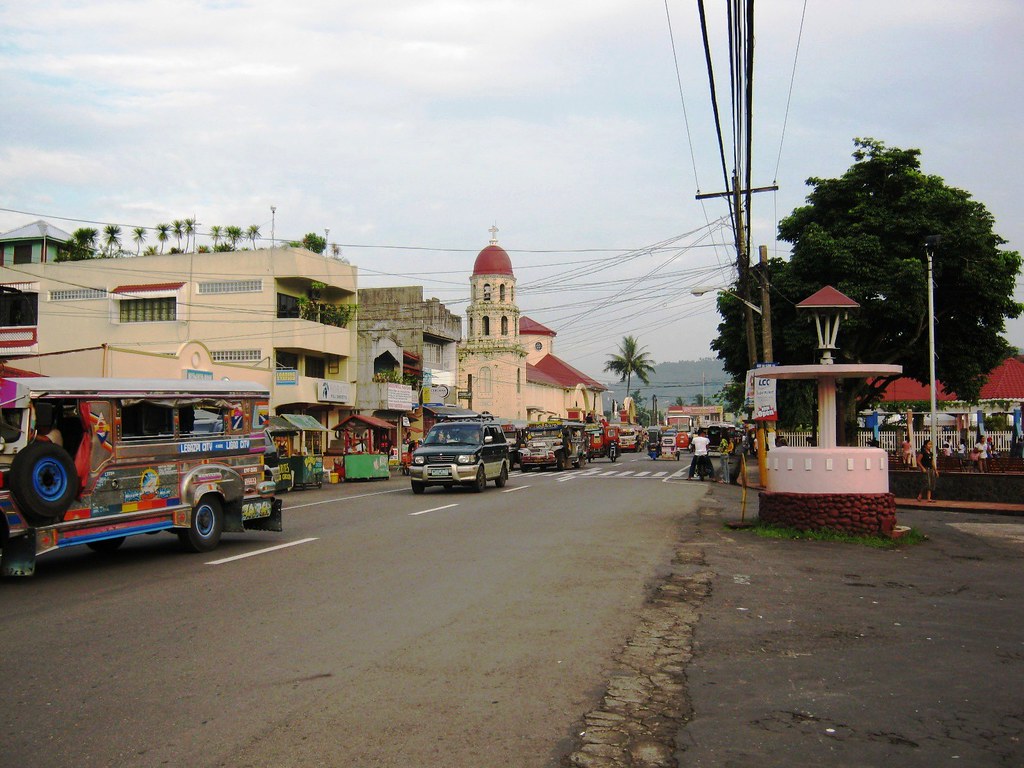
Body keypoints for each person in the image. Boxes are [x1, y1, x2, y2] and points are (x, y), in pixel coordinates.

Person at [916, 439, 939, 503]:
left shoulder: (931, 453)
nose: (930, 445)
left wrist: (935, 470)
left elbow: (932, 462)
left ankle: (929, 498)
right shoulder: (923, 453)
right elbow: (918, 460)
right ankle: (920, 495)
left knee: (931, 484)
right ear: (925, 445)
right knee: (926, 483)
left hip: (931, 469)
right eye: (929, 444)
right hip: (926, 469)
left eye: (931, 444)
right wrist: (922, 468)